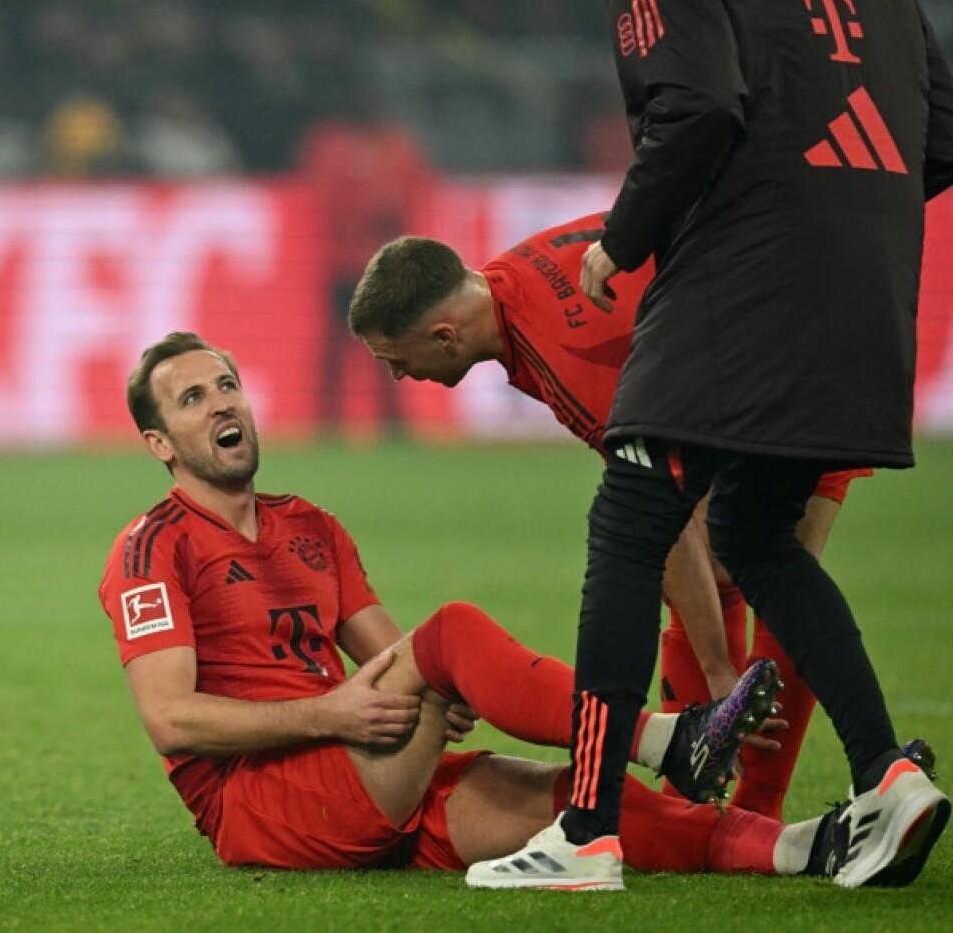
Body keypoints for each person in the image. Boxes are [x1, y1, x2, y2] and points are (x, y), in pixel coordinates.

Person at [478, 0, 953, 891]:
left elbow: (697, 105)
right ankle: (886, 776)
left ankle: (585, 834)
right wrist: (831, 206)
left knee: (627, 529)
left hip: (743, 290)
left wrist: (623, 240)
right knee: (756, 535)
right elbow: (944, 135)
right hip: (873, 295)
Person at [97, 330, 865, 883]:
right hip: (263, 801)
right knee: (456, 628)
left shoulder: (310, 525)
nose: (220, 404)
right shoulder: (151, 548)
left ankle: (805, 846)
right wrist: (335, 713)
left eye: (226, 385)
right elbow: (173, 719)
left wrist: (442, 691)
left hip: (360, 771)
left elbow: (397, 657)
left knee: (571, 805)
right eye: (192, 399)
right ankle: (669, 740)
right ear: (161, 444)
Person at [347, 211, 868, 820]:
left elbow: (661, 520)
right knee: (736, 566)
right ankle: (728, 802)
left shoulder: (569, 363)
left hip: (800, 353)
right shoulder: (510, 284)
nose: (396, 375)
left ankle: (764, 803)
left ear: (444, 336)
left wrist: (721, 676)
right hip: (802, 312)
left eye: (394, 358)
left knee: (773, 573)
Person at [295, 82, 434, 439]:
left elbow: (412, 195)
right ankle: (331, 422)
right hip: (348, 263)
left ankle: (389, 421)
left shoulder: (385, 146)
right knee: (341, 348)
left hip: (379, 265)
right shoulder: (343, 145)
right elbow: (329, 200)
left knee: (387, 347)